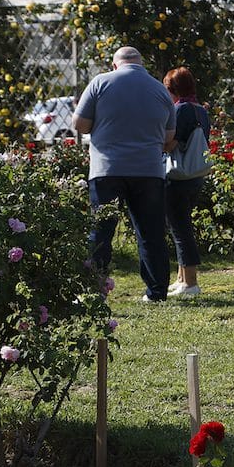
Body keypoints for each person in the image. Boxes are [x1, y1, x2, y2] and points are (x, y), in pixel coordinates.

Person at [73, 46, 176, 302]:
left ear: (114, 64)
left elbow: (79, 124)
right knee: (151, 233)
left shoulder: (100, 82)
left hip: (107, 170)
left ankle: (94, 291)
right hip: (149, 171)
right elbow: (169, 138)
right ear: (140, 63)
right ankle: (157, 292)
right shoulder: (160, 90)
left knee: (101, 233)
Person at [163, 67, 211, 297]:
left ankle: (190, 283)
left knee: (180, 229)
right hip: (196, 175)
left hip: (178, 176)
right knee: (181, 225)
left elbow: (171, 144)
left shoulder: (179, 110)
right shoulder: (201, 110)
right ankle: (181, 278)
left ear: (174, 89)